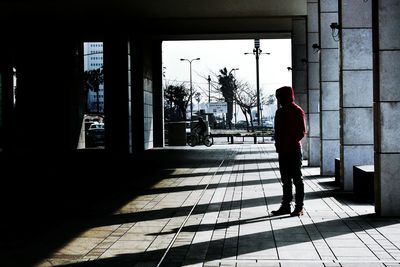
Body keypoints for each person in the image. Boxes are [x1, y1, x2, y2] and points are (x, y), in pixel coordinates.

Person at [271, 86, 306, 217]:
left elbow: (301, 132)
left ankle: (299, 207)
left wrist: (289, 140)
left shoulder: (297, 111)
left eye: (280, 97)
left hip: (293, 150)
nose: (278, 100)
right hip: (283, 150)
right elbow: (277, 131)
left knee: (297, 179)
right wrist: (279, 144)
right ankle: (286, 205)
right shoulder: (279, 112)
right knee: (286, 179)